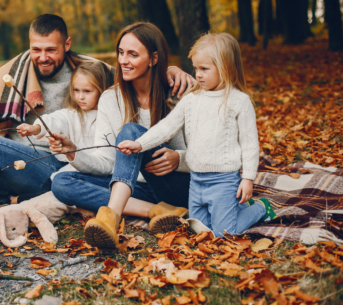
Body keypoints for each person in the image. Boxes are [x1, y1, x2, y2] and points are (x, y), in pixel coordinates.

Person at [0, 15, 195, 202]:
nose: (43, 57)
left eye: (51, 49)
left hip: (53, 163)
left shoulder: (89, 71)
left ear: (67, 44)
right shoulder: (13, 72)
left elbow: (133, 74)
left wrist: (169, 72)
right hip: (13, 166)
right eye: (36, 49)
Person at [118, 33, 277, 238]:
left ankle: (261, 208)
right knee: (198, 230)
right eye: (195, 68)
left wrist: (247, 179)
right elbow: (166, 127)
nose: (198, 75)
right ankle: (234, 211)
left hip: (224, 181)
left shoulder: (239, 101)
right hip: (197, 181)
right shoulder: (192, 99)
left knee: (224, 233)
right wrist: (139, 144)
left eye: (204, 69)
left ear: (225, 68)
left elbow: (250, 145)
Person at [50, 22, 192, 251]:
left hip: (174, 184)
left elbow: (208, 153)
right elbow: (107, 162)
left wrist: (179, 158)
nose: (123, 61)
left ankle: (112, 217)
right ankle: (156, 211)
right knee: (62, 182)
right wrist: (73, 152)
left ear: (154, 59)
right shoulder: (110, 99)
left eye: (133, 54)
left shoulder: (179, 92)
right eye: (121, 52)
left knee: (130, 131)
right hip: (134, 189)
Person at [16, 61, 113, 186]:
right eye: (76, 90)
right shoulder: (72, 115)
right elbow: (55, 120)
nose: (80, 97)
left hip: (103, 174)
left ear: (102, 90)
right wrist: (36, 128)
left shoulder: (111, 117)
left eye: (87, 91)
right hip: (74, 170)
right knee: (59, 181)